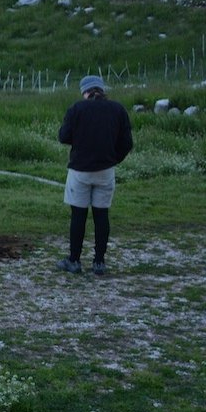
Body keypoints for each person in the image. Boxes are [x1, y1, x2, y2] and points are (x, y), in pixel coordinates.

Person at [56, 74, 134, 275]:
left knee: (78, 216)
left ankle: (74, 260)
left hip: (80, 170)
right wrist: (113, 159)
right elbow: (127, 143)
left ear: (85, 91)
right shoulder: (117, 109)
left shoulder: (77, 109)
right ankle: (99, 261)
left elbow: (63, 137)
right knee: (101, 216)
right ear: (101, 90)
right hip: (105, 170)